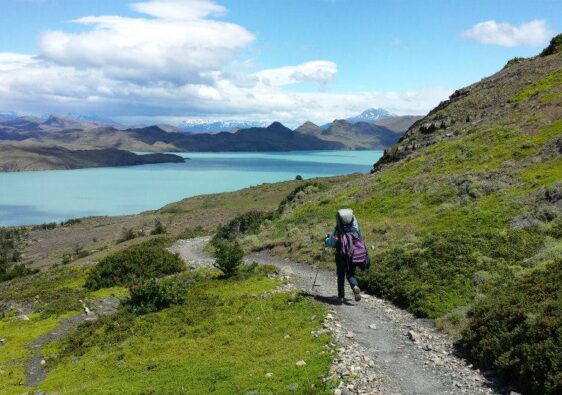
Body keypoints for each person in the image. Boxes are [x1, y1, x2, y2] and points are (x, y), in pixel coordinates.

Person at [325, 208, 362, 303]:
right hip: (353, 254)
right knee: (350, 273)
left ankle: (341, 296)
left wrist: (326, 240)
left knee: (341, 274)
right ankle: (355, 286)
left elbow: (332, 242)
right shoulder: (355, 229)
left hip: (340, 255)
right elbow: (360, 238)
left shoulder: (338, 230)